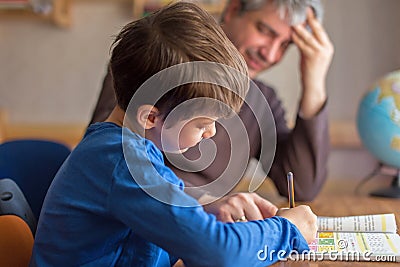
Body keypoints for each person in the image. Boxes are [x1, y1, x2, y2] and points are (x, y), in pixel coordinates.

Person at [30, 2, 317, 266]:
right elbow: (218, 254)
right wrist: (287, 230)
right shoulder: (124, 163)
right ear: (151, 117)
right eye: (202, 125)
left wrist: (208, 217)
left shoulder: (132, 153)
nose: (210, 134)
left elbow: (164, 238)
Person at [89, 0, 334, 207]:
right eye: (265, 31)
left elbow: (300, 188)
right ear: (232, 9)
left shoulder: (262, 102)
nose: (271, 55)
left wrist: (314, 84)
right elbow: (107, 162)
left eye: (285, 45)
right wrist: (209, 207)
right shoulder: (151, 59)